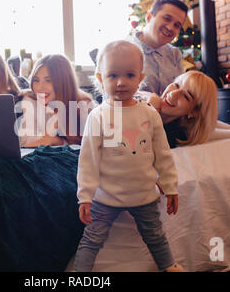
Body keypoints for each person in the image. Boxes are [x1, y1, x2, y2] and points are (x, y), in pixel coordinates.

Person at [74, 40, 184, 272]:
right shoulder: (98, 116)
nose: (121, 82)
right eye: (113, 75)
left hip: (144, 195)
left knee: (155, 235)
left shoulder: (150, 114)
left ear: (140, 77)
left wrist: (170, 186)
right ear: (100, 78)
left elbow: (163, 154)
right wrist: (85, 196)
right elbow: (88, 160)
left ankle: (169, 266)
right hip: (106, 196)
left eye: (130, 75)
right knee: (92, 238)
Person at [17, 54, 96, 147]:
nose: (39, 87)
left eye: (48, 80)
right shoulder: (31, 101)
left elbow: (90, 145)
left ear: (64, 82)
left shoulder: (82, 104)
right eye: (36, 80)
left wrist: (58, 141)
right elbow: (25, 144)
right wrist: (52, 127)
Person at [141, 70, 218, 148]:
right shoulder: (144, 98)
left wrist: (150, 110)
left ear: (194, 112)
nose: (172, 94)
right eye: (176, 85)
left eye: (186, 96)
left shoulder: (175, 137)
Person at [132, 0, 188, 96]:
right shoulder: (122, 50)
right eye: (167, 18)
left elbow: (180, 94)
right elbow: (113, 101)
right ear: (149, 17)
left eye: (177, 25)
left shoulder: (175, 54)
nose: (170, 27)